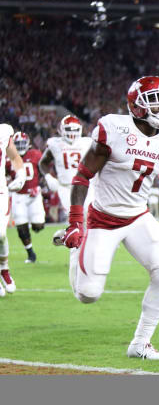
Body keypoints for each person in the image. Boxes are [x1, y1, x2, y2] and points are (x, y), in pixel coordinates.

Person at [55, 76, 159, 359]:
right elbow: (83, 174)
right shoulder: (113, 128)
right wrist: (76, 221)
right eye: (155, 101)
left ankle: (141, 343)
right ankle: (75, 246)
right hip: (102, 219)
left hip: (138, 217)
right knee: (88, 294)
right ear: (137, 105)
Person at [39, 115, 94, 221]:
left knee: (88, 216)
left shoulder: (87, 142)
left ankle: (86, 237)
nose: (72, 133)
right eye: (68, 129)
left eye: (75, 130)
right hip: (65, 187)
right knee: (74, 218)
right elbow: (43, 163)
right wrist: (48, 177)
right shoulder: (55, 144)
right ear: (62, 129)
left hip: (85, 185)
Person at [8, 131, 45, 263]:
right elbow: (4, 175)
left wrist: (41, 185)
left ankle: (31, 223)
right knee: (21, 227)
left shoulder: (35, 154)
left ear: (28, 144)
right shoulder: (9, 158)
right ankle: (31, 254)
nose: (20, 146)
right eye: (17, 144)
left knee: (38, 226)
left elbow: (44, 171)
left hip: (34, 194)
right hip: (18, 196)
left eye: (22, 143)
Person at [0, 123, 27, 297]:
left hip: (0, 191)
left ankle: (4, 268)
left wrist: (21, 174)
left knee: (1, 235)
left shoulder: (3, 132)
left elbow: (15, 157)